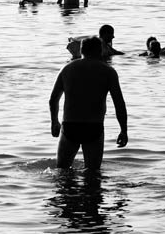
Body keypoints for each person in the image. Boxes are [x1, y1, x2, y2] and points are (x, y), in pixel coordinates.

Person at [49, 36, 128, 171]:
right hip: (94, 127)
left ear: (81, 50)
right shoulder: (108, 72)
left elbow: (53, 99)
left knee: (62, 171)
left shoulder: (67, 69)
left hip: (70, 126)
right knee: (93, 175)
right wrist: (123, 130)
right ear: (100, 51)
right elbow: (119, 104)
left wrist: (54, 122)